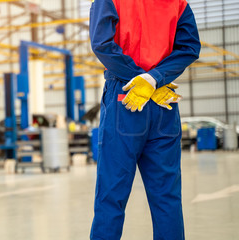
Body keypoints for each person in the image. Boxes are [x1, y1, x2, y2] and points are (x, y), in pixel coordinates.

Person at [89, 0, 201, 239]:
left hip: (125, 96)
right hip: (163, 101)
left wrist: (141, 79)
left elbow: (101, 44)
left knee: (111, 196)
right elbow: (190, 47)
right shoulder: (178, 3)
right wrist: (155, 79)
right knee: (167, 198)